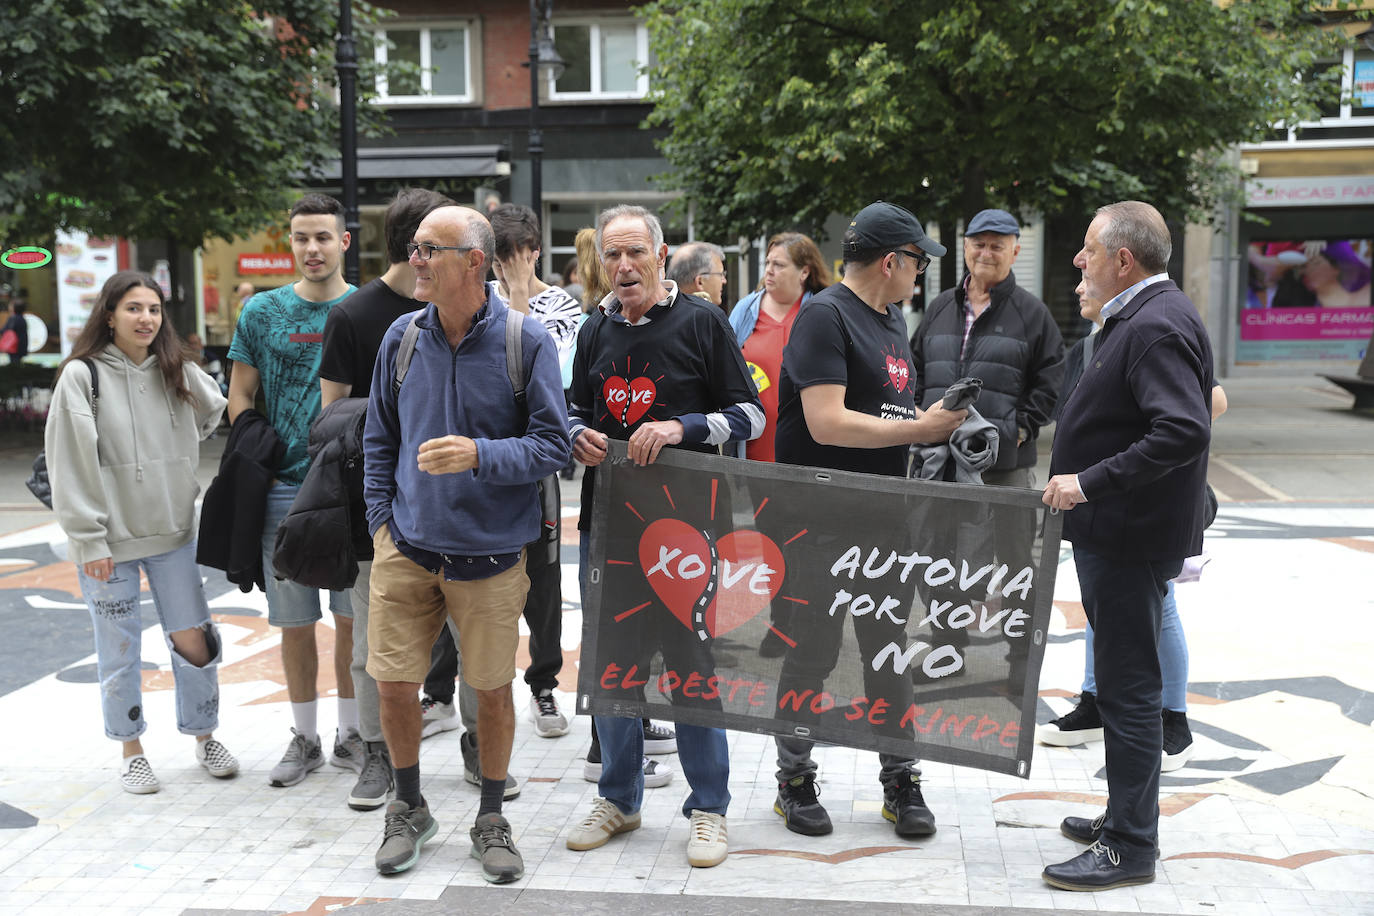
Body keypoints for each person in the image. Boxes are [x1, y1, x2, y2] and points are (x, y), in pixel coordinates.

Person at [362, 205, 570, 881]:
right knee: (394, 686)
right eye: (415, 248)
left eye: (429, 250)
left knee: (490, 692)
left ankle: (490, 815)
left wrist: (479, 455)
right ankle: (410, 804)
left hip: (489, 556)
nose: (414, 259)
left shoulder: (524, 340)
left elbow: (553, 446)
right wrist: (380, 523)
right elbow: (378, 439)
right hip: (407, 548)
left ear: (473, 262)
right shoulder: (400, 338)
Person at [564, 204, 764, 869]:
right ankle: (618, 797)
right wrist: (576, 435)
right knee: (612, 666)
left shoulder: (703, 321)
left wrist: (681, 428)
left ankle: (708, 809)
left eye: (634, 254)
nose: (622, 267)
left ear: (660, 253)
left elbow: (749, 414)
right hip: (609, 528)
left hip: (689, 532)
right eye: (611, 256)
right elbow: (570, 407)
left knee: (691, 669)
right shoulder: (594, 328)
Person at [769, 201, 966, 839]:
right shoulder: (825, 316)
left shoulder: (889, 320)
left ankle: (901, 780)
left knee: (888, 652)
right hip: (818, 520)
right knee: (813, 652)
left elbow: (883, 412)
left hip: (884, 520)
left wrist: (929, 418)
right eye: (917, 262)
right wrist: (918, 425)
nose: (921, 274)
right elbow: (825, 422)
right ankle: (794, 781)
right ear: (892, 261)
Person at [1041, 200, 1214, 892]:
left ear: (1123, 259)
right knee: (1121, 686)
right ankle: (1124, 815)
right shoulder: (1141, 318)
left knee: (1129, 689)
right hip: (1118, 533)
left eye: (1087, 249)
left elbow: (1182, 430)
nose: (1077, 261)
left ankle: (1130, 846)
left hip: (1126, 534)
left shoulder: (1155, 325)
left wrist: (1087, 483)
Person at [45, 271, 236, 794]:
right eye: (133, 308)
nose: (145, 318)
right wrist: (87, 539)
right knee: (119, 648)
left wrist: (183, 375)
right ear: (109, 315)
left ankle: (204, 734)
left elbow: (213, 410)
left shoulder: (174, 368)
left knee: (194, 641)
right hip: (109, 542)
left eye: (153, 309)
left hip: (174, 533)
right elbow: (70, 463)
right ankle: (131, 748)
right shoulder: (82, 377)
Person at [1038, 280, 1227, 774]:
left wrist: (1114, 468)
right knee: (1104, 614)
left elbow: (1194, 415)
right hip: (1097, 516)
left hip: (1133, 515)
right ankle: (1097, 703)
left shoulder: (1153, 328)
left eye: (1088, 263)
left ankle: (1172, 721)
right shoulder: (1094, 344)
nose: (1076, 281)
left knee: (1153, 618)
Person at [317, 187, 453, 811]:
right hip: (382, 512)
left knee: (474, 638)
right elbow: (328, 417)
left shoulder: (470, 305)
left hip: (461, 511)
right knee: (376, 644)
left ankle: (479, 743)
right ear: (415, 245)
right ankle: (376, 752)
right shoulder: (356, 315)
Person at [225, 193, 360, 789]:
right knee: (294, 620)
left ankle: (352, 734)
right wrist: (258, 450)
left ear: (344, 242)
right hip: (283, 491)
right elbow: (239, 396)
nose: (312, 248)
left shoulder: (366, 309)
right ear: (291, 242)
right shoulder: (262, 312)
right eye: (301, 237)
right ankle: (304, 738)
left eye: (323, 237)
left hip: (352, 490)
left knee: (357, 622)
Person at [729, 233, 831, 462]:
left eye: (779, 265)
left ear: (804, 272)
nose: (769, 270)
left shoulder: (823, 310)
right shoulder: (745, 310)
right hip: (752, 446)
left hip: (808, 447)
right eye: (767, 263)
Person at [667, 241, 728, 306]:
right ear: (700, 282)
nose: (724, 281)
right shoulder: (709, 315)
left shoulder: (660, 310)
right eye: (721, 275)